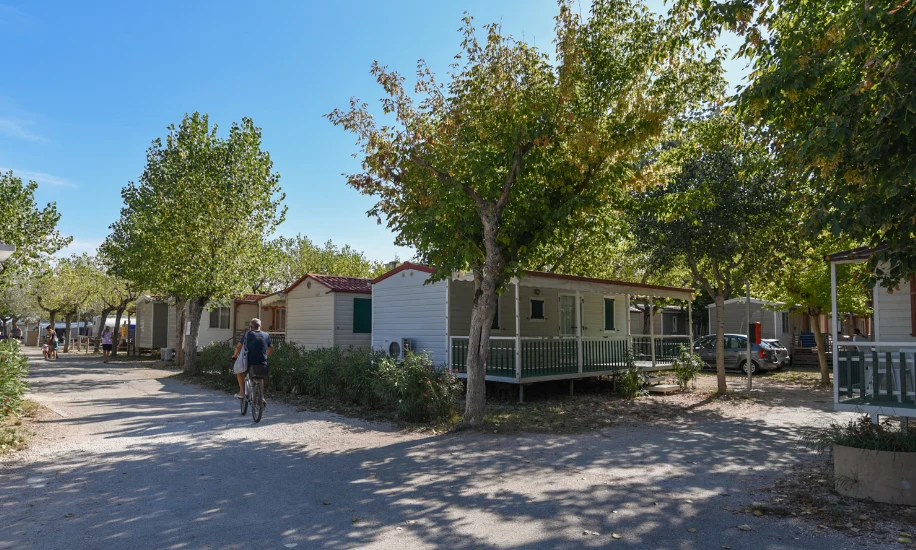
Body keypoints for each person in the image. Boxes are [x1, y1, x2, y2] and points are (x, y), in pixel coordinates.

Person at [231, 318, 273, 403]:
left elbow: (239, 346)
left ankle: (242, 392)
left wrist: (235, 355)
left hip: (248, 362)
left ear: (250, 327)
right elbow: (271, 349)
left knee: (239, 372)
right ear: (260, 326)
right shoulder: (266, 335)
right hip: (262, 362)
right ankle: (262, 398)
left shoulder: (247, 334)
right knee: (260, 378)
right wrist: (266, 356)